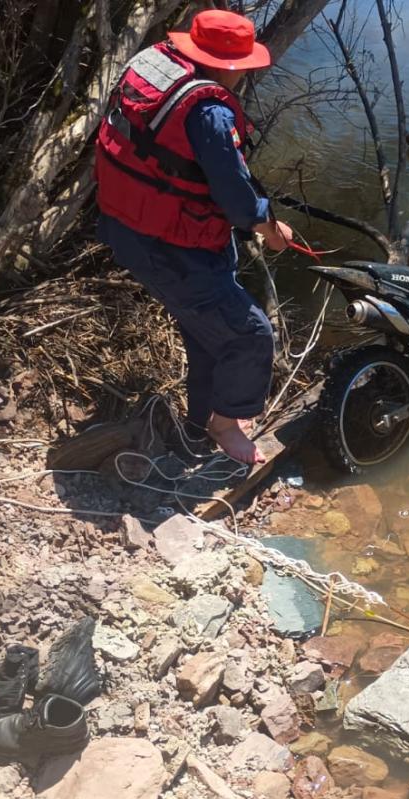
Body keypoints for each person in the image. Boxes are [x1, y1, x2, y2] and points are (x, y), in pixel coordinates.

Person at [93, 9, 294, 465]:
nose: (244, 74)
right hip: (168, 247)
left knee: (209, 332)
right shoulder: (209, 112)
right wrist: (270, 227)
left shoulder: (154, 63)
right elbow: (239, 203)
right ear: (225, 65)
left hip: (129, 226)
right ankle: (226, 425)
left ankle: (197, 424)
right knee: (250, 336)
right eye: (242, 66)